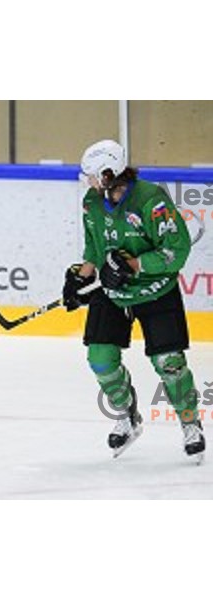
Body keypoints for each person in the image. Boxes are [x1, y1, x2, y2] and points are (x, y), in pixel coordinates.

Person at [63, 139, 205, 460]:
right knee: (100, 358)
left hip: (157, 291)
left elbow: (176, 250)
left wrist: (134, 266)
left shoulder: (150, 201)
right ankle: (127, 416)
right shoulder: (92, 202)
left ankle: (190, 423)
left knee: (169, 363)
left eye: (92, 175)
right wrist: (80, 277)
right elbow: (94, 250)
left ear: (110, 173)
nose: (87, 182)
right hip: (113, 295)